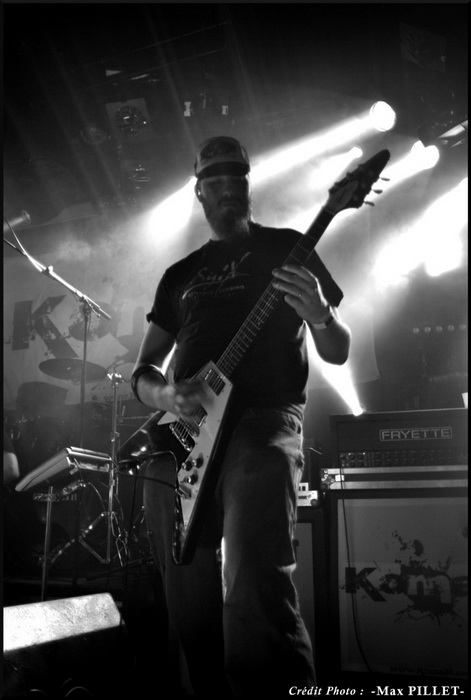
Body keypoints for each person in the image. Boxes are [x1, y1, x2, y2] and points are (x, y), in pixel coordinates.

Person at [130, 136, 351, 697]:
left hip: (262, 423)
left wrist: (321, 315)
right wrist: (167, 397)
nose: (229, 189)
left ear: (249, 187)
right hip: (181, 439)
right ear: (199, 193)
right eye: (217, 182)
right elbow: (143, 370)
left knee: (253, 590)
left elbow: (338, 350)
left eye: (238, 180)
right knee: (189, 606)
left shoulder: (289, 248)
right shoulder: (179, 275)